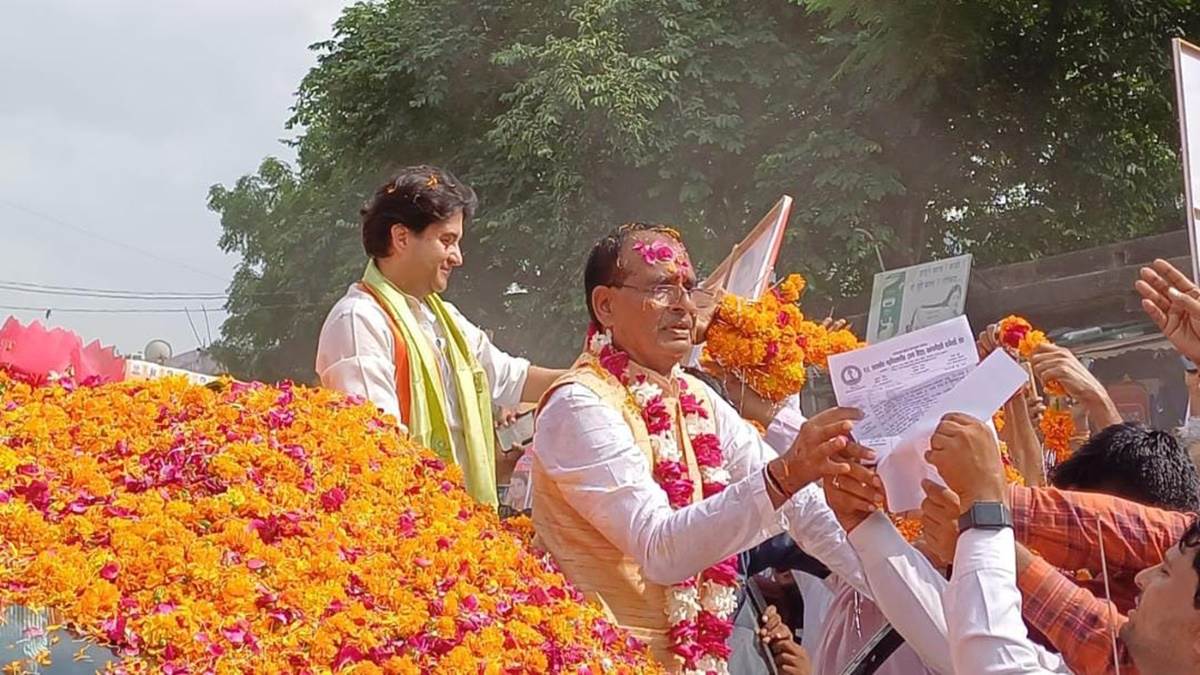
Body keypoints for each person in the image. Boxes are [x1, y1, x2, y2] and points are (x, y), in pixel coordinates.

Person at [531, 222, 877, 672]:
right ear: (606, 305)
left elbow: (803, 509)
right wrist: (787, 476)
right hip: (601, 659)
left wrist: (895, 585)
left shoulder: (696, 397)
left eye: (688, 288)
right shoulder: (578, 405)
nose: (682, 305)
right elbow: (659, 549)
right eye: (661, 287)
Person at [315, 165, 564, 506]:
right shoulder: (360, 320)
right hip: (408, 529)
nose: (457, 258)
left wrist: (600, 378)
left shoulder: (443, 319)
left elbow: (515, 379)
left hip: (462, 523)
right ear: (401, 237)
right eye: (447, 240)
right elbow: (377, 446)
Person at [925, 412, 1200, 675]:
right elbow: (1087, 628)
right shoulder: (1155, 650)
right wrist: (981, 513)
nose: (1141, 576)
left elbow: (993, 660)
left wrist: (984, 509)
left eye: (1164, 571)